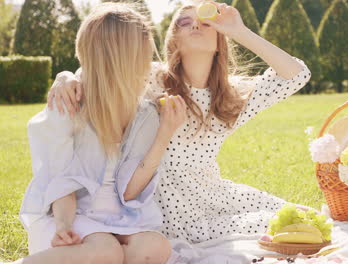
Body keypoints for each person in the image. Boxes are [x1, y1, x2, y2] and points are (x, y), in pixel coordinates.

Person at [48, 1, 312, 244]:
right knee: (277, 225)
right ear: (173, 40)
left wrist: (239, 30)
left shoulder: (232, 97)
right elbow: (103, 69)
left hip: (214, 193)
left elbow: (297, 75)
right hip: (165, 205)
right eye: (183, 23)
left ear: (221, 42)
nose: (195, 24)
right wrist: (66, 76)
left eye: (205, 22)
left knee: (302, 216)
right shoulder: (152, 78)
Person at [13, 3, 187, 264]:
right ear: (122, 59)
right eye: (142, 54)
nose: (148, 63)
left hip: (118, 221)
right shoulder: (69, 105)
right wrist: (63, 226)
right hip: (67, 216)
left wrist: (164, 134)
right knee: (107, 251)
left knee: (155, 247)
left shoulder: (146, 114)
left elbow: (129, 194)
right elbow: (58, 177)